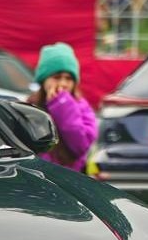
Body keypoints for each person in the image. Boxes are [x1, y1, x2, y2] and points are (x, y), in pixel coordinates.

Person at [27, 41, 98, 172]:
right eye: (56, 77)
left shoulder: (82, 107)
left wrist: (62, 106)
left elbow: (80, 146)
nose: (63, 84)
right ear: (44, 80)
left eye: (68, 78)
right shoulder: (29, 106)